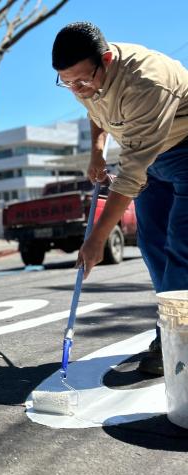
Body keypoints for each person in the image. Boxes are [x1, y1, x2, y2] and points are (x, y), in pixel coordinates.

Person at [52, 22, 188, 376]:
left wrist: (97, 239)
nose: (76, 89)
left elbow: (129, 177)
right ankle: (174, 328)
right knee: (151, 243)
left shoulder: (146, 81)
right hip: (149, 158)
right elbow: (96, 111)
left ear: (107, 60)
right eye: (66, 83)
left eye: (81, 81)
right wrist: (97, 151)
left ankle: (176, 340)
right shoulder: (82, 77)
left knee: (181, 248)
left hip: (184, 151)